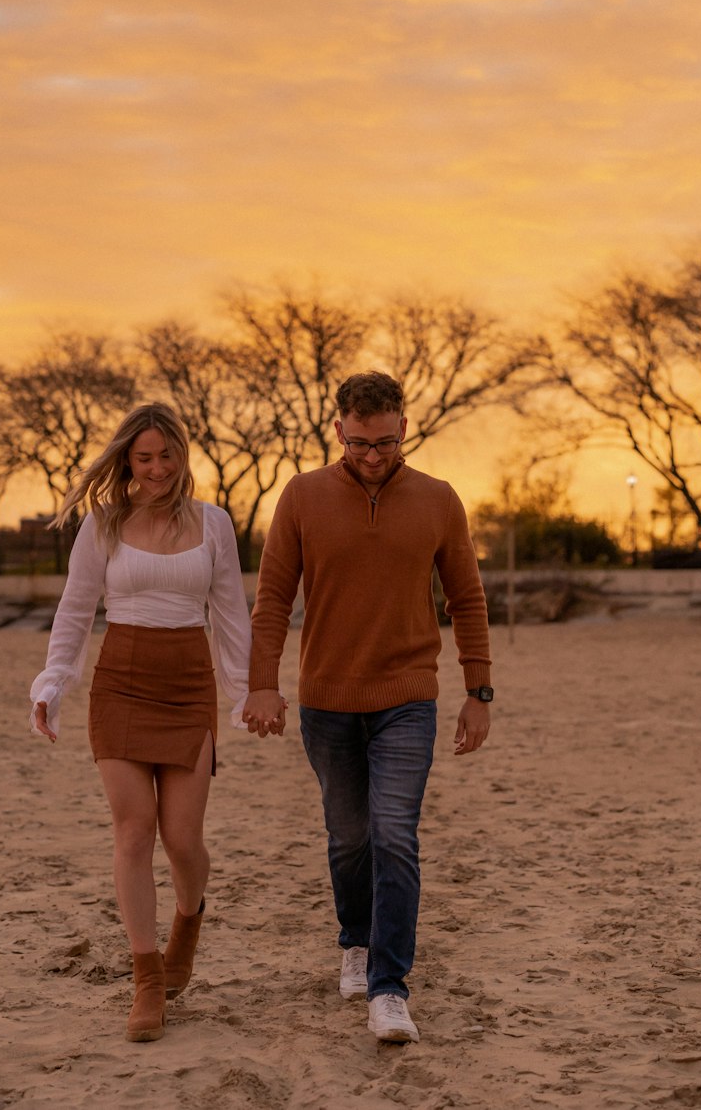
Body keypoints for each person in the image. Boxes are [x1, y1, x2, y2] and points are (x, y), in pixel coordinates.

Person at [242, 371, 492, 1045]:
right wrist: (261, 683)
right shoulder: (301, 496)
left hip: (408, 698)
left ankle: (389, 987)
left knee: (393, 835)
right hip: (327, 701)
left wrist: (479, 690)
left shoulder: (438, 501)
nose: (373, 455)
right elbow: (271, 599)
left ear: (404, 425)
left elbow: (466, 599)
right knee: (350, 839)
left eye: (384, 441)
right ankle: (354, 942)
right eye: (359, 443)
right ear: (338, 431)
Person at [29, 402, 281, 1042]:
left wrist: (248, 690)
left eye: (167, 456)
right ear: (126, 461)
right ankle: (146, 981)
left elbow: (229, 614)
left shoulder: (213, 523)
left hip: (186, 681)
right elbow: (75, 608)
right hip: (120, 682)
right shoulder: (103, 525)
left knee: (183, 840)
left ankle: (188, 922)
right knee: (134, 828)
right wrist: (54, 681)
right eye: (144, 458)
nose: (157, 469)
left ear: (182, 455)